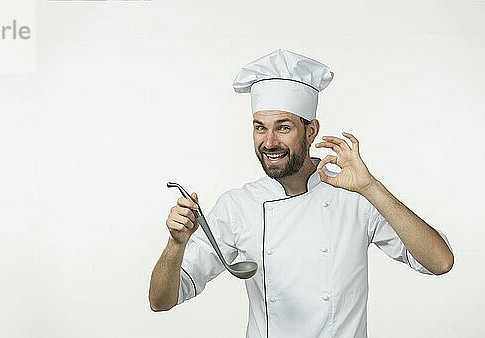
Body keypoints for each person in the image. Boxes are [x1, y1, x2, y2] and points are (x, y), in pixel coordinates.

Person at [148, 49, 454, 338]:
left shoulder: (356, 197)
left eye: (283, 128)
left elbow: (440, 262)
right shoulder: (237, 206)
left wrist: (370, 187)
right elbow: (161, 300)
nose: (268, 142)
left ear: (311, 131)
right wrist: (176, 244)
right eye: (259, 127)